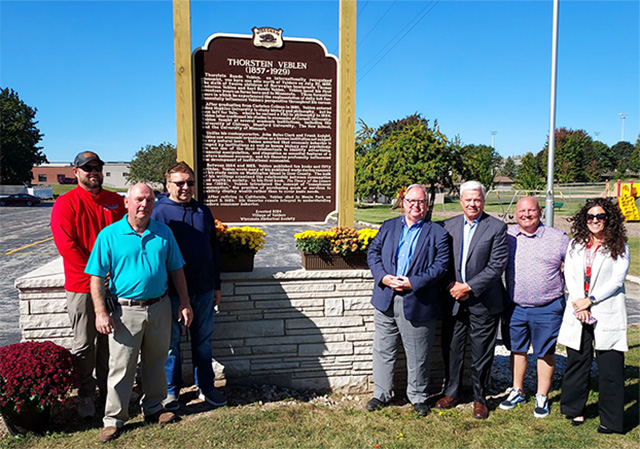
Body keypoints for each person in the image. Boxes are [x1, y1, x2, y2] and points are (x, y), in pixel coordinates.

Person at [86, 183, 194, 443]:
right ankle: (114, 419)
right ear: (127, 203)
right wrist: (101, 312)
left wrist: (184, 302)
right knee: (121, 367)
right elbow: (96, 277)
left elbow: (176, 269)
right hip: (124, 312)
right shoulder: (109, 235)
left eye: (148, 200)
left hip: (159, 307)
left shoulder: (164, 233)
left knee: (156, 361)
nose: (144, 204)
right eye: (138, 200)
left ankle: (155, 408)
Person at [50, 151, 126, 418]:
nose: (93, 171)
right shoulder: (65, 203)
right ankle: (85, 395)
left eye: (97, 167)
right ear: (76, 172)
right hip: (82, 286)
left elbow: (127, 236)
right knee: (84, 344)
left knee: (110, 343)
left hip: (114, 286)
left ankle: (109, 393)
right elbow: (67, 245)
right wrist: (96, 274)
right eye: (87, 168)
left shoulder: (116, 201)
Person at [366, 184, 450, 416]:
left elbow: (441, 266)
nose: (416, 206)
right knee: (383, 350)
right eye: (412, 201)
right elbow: (373, 253)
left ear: (427, 204)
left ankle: (418, 397)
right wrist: (383, 277)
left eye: (421, 202)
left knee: (418, 354)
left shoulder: (438, 233)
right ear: (403, 203)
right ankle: (381, 394)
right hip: (386, 298)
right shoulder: (388, 226)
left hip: (417, 300)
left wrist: (413, 282)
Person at [151, 162, 225, 410]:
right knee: (171, 345)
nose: (185, 187)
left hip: (203, 290)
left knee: (203, 342)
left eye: (190, 183)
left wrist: (216, 285)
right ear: (168, 185)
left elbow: (213, 250)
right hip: (169, 293)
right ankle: (171, 392)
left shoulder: (203, 211)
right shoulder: (158, 212)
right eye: (179, 183)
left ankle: (206, 386)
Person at [436, 180, 508, 419]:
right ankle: (452, 392)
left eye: (477, 199)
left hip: (484, 302)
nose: (472, 204)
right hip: (453, 300)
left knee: (481, 354)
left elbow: (496, 266)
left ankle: (480, 398)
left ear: (483, 201)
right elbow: (441, 261)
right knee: (453, 349)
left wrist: (468, 287)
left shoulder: (496, 227)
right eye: (468, 200)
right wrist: (450, 286)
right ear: (461, 201)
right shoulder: (447, 226)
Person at [558, 197, 629, 433]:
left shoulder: (618, 245)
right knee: (577, 361)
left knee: (610, 366)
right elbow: (570, 273)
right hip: (579, 309)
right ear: (584, 220)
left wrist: (591, 300)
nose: (595, 220)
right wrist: (580, 302)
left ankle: (611, 420)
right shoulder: (576, 244)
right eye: (590, 217)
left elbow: (617, 280)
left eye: (600, 216)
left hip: (605, 308)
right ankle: (574, 409)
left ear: (609, 219)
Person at [499, 197, 570, 418]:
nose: (526, 215)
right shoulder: (507, 236)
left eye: (531, 210)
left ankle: (541, 395)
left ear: (539, 212)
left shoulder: (557, 238)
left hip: (547, 306)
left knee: (545, 351)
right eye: (522, 211)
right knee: (517, 349)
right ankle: (517, 390)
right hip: (516, 305)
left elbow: (576, 264)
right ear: (516, 213)